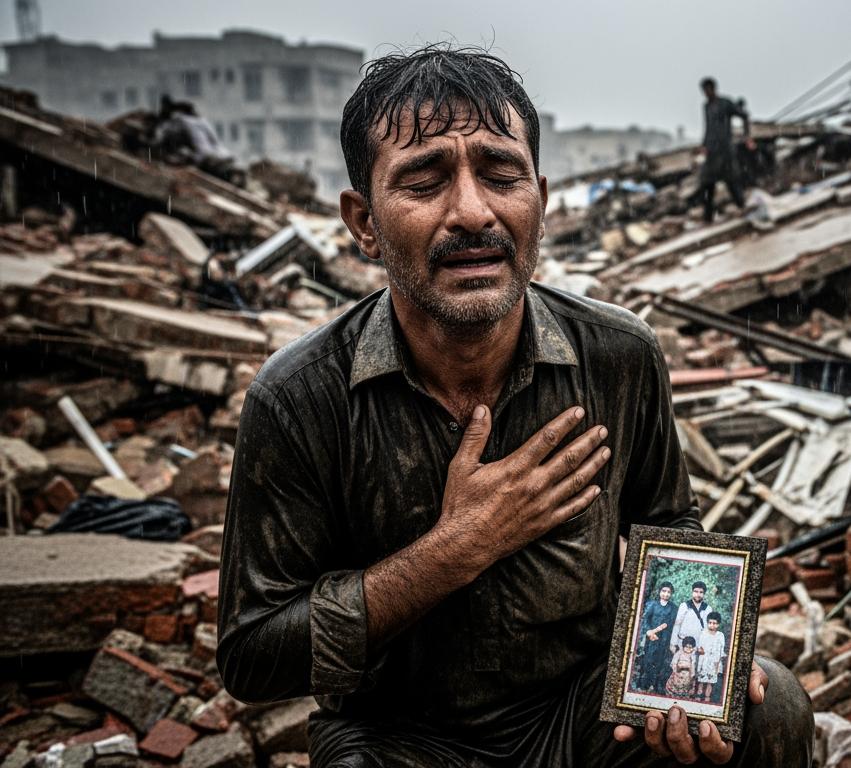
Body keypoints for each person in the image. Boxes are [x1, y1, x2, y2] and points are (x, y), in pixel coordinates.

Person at [217, 43, 813, 768]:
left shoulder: (619, 356)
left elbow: (669, 524)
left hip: (584, 713)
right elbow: (251, 655)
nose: (473, 212)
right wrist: (457, 548)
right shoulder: (299, 396)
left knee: (771, 707)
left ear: (542, 200)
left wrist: (701, 660)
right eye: (423, 181)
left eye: (502, 174)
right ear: (364, 221)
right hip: (403, 736)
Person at [697, 77, 751, 223]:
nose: (706, 93)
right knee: (707, 182)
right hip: (712, 150)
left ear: (714, 88)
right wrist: (704, 145)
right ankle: (707, 218)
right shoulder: (707, 107)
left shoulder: (725, 103)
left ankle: (741, 206)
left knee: (731, 179)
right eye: (704, 90)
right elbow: (708, 128)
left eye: (708, 89)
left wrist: (747, 136)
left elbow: (744, 115)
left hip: (726, 148)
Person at [636, 582, 676, 693]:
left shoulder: (673, 608)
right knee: (648, 659)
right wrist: (649, 632)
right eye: (664, 591)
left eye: (668, 592)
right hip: (651, 638)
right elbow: (646, 619)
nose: (666, 594)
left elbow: (671, 624)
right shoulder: (653, 605)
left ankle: (656, 684)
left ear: (671, 594)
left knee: (660, 661)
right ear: (659, 592)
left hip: (664, 639)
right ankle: (643, 683)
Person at [673, 581, 713, 655]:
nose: (698, 594)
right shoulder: (684, 606)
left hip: (698, 643)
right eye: (696, 591)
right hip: (683, 642)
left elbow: (708, 628)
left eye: (701, 592)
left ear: (704, 594)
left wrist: (705, 646)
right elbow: (677, 625)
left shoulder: (708, 608)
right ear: (692, 592)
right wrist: (673, 644)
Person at [695, 612, 727, 703]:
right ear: (707, 622)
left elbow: (721, 650)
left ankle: (707, 698)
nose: (712, 625)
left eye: (715, 623)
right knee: (701, 680)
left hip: (714, 661)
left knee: (710, 682)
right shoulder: (703, 633)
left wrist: (717, 664)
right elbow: (699, 647)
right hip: (703, 660)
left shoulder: (720, 635)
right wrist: (700, 650)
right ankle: (698, 695)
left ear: (718, 624)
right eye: (710, 622)